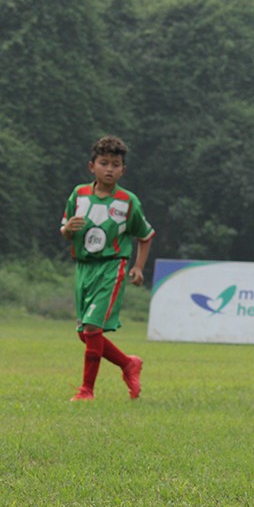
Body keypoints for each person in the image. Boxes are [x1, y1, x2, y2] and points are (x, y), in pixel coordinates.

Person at [60, 135, 154, 401]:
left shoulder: (127, 201)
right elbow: (65, 229)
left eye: (116, 164)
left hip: (112, 268)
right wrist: (67, 230)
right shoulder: (78, 195)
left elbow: (145, 235)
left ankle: (86, 391)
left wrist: (137, 267)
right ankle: (128, 363)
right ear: (92, 166)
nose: (110, 169)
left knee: (91, 329)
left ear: (123, 170)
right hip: (84, 269)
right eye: (104, 163)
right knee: (86, 335)